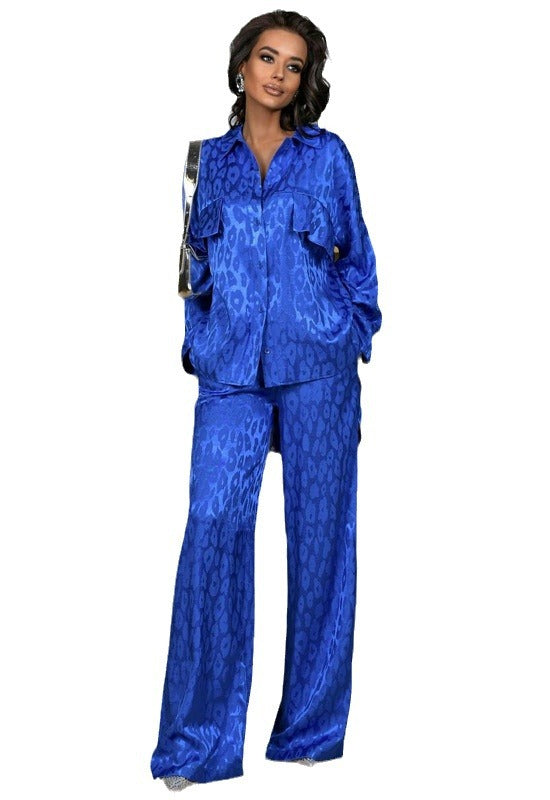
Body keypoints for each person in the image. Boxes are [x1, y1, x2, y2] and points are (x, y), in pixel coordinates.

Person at [150, 10, 382, 790]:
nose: (279, 74)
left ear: (306, 79)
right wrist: (200, 344)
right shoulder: (204, 163)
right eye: (267, 57)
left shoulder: (327, 157)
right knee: (213, 529)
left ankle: (310, 730)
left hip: (319, 366)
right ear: (241, 66)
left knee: (321, 542)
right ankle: (197, 745)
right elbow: (191, 269)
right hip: (231, 372)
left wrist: (352, 332)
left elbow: (359, 258)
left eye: (294, 64)